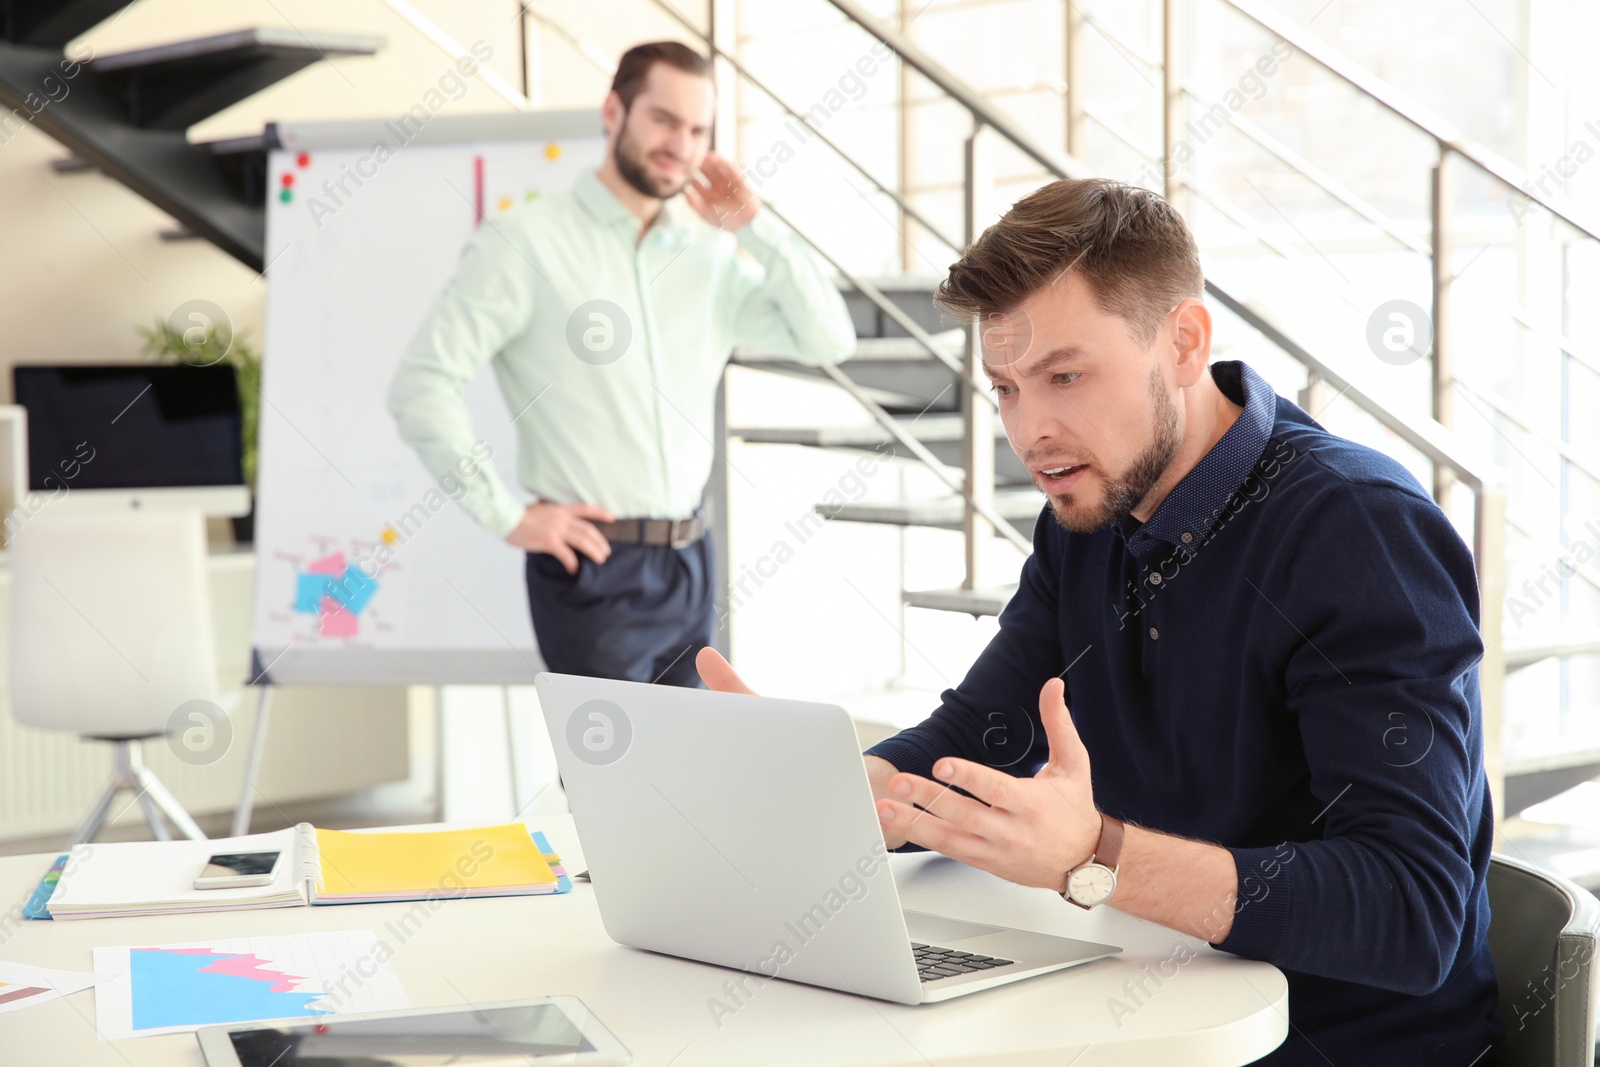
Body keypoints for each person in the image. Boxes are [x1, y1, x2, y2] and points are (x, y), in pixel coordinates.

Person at [697, 178, 1504, 1061]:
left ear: (1185, 341)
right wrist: (826, 791)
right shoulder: (1088, 516)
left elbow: (1413, 906)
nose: (1030, 430)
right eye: (1004, 388)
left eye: (1066, 376)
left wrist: (1094, 854)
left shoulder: (1357, 527)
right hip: (1147, 1013)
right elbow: (984, 729)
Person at [389, 41, 854, 686]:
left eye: (697, 130)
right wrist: (507, 515)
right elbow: (423, 385)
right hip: (595, 569)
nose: (681, 144)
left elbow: (829, 337)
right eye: (663, 119)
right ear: (614, 111)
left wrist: (753, 224)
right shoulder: (524, 242)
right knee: (612, 780)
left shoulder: (710, 256)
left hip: (693, 560)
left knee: (690, 772)